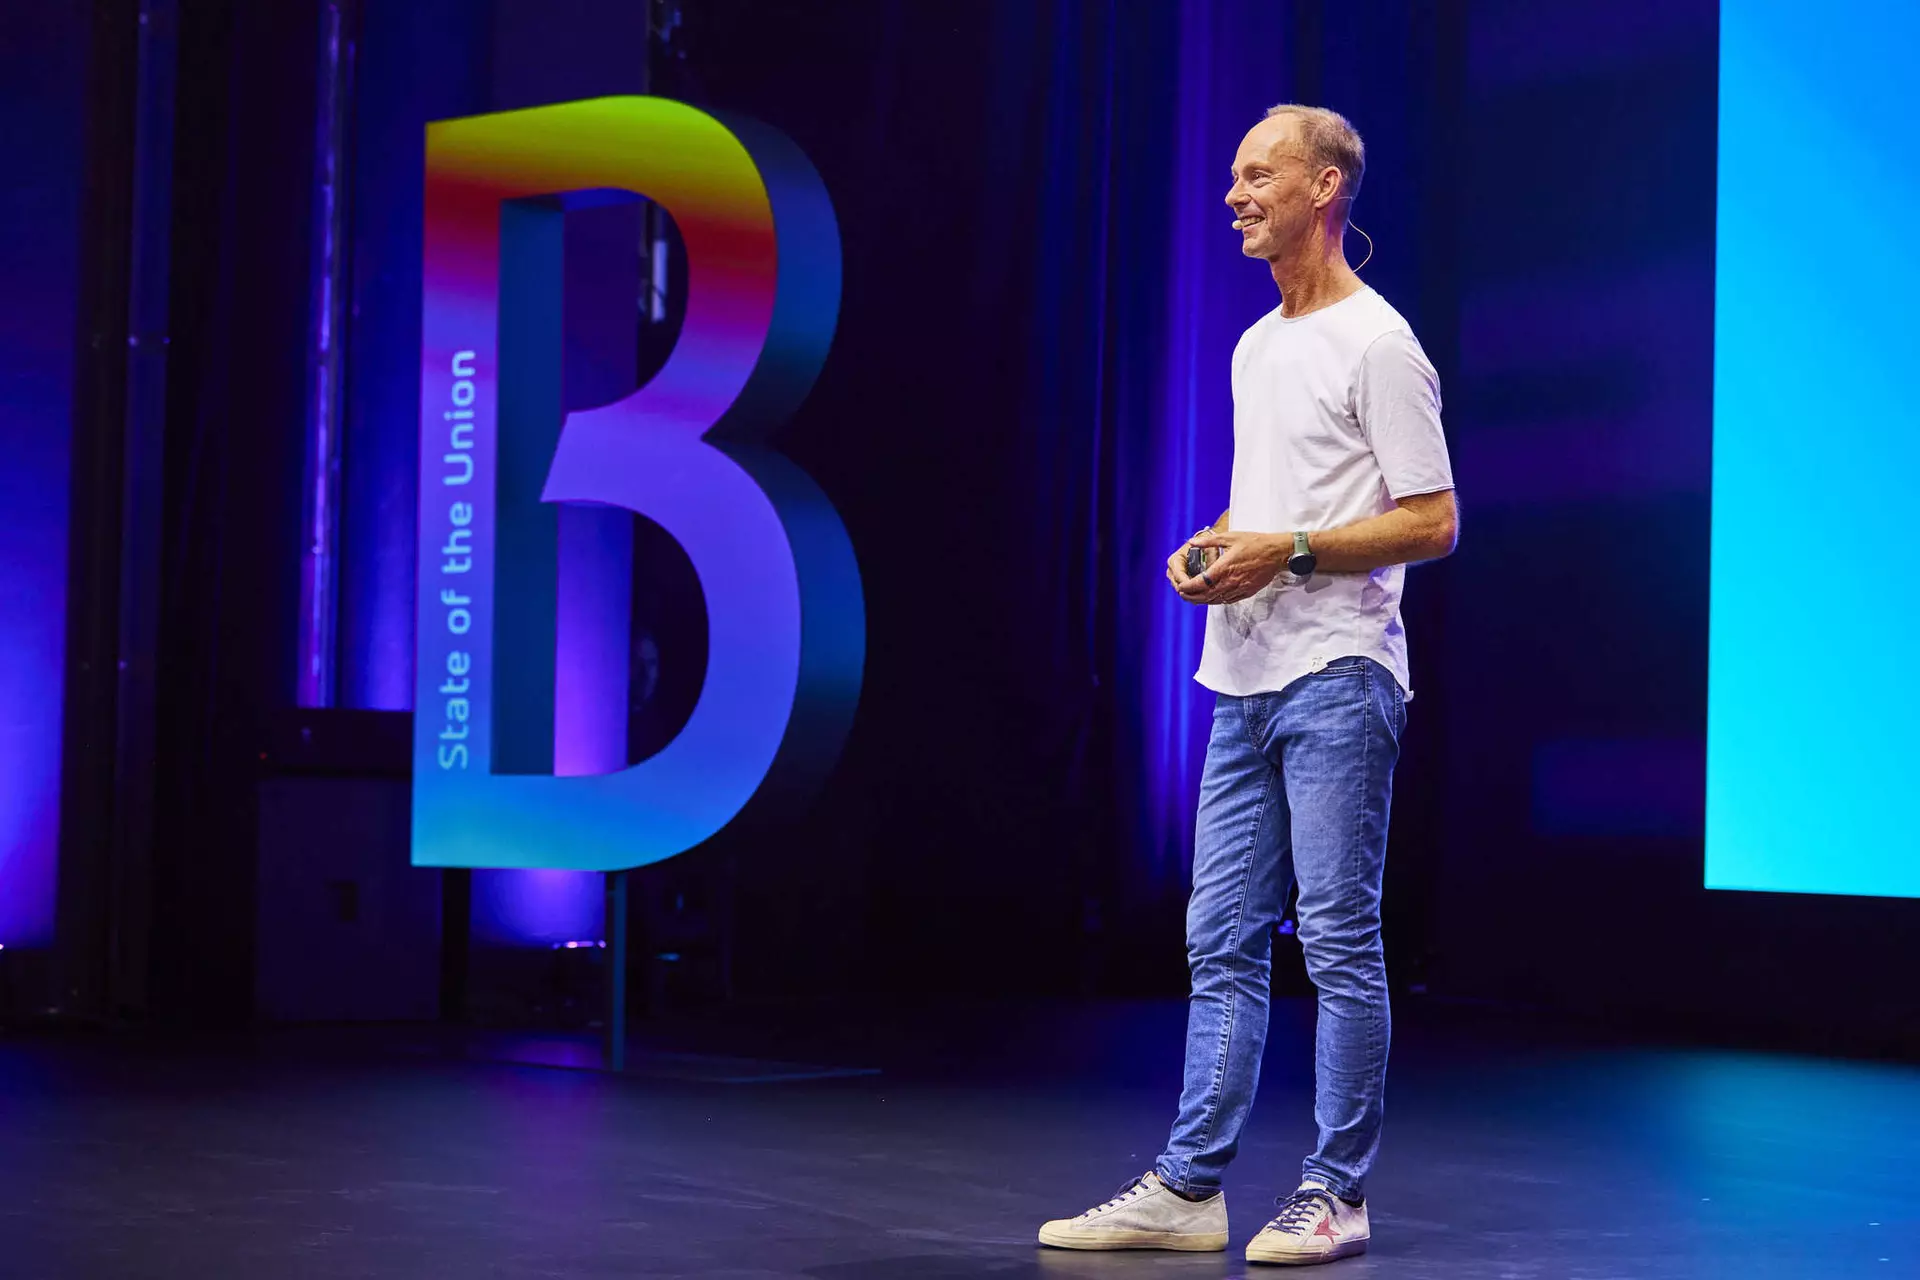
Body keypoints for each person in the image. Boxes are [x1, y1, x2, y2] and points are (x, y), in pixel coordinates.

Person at [1039, 104, 1458, 1266]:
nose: (1235, 193)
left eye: (1258, 174)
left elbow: (1433, 519)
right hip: (1244, 677)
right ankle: (1190, 1187)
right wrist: (1221, 542)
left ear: (1325, 187)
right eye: (1233, 175)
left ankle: (1337, 1192)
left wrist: (1296, 551)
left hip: (1341, 675)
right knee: (1219, 937)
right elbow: (1274, 500)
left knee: (1337, 939)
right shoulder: (1255, 344)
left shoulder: (1380, 343)